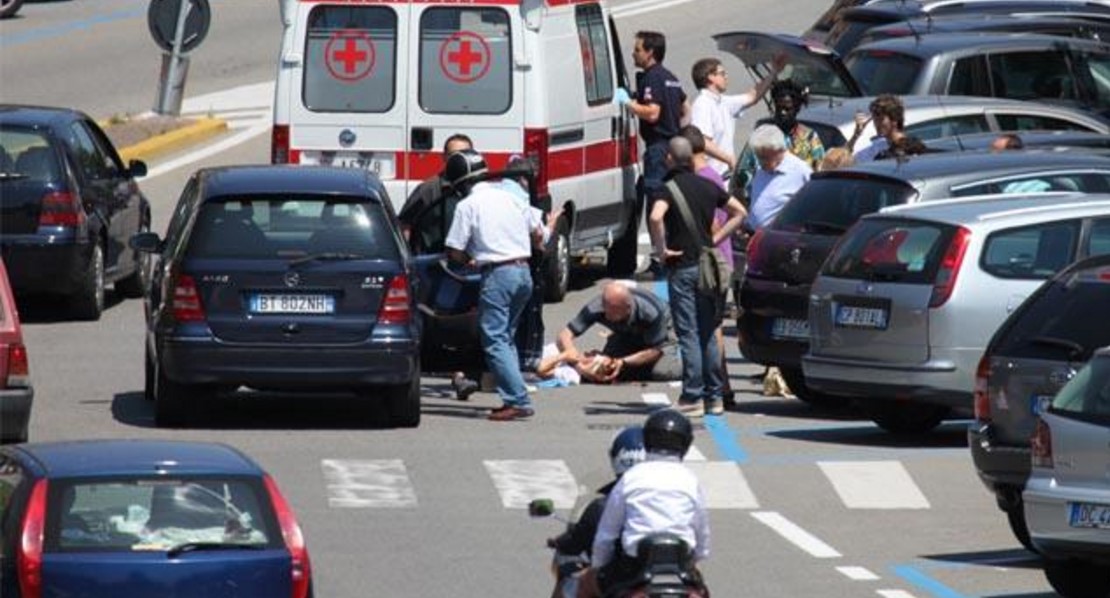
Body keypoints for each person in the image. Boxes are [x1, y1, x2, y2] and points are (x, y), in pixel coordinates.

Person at [444, 149, 550, 422]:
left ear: (460, 184)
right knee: (506, 337)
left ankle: (517, 399)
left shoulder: (467, 205)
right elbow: (537, 231)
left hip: (498, 274)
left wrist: (470, 258)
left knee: (494, 339)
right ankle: (511, 393)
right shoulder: (510, 195)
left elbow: (454, 250)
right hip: (523, 272)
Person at [649, 135, 747, 417]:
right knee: (708, 330)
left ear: (670, 158)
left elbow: (656, 217)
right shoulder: (708, 185)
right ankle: (714, 396)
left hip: (683, 268)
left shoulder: (666, 189)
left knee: (688, 332)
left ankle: (692, 395)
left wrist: (662, 249)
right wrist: (716, 237)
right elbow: (739, 212)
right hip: (709, 266)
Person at [578, 409, 709, 598]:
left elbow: (607, 532)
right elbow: (702, 531)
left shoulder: (631, 477)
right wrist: (696, 559)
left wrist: (598, 566)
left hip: (632, 567)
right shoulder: (690, 480)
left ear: (647, 440)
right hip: (680, 567)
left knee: (584, 583)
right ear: (686, 444)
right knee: (702, 592)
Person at [397, 133, 481, 400]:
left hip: (470, 270)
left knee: (467, 325)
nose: (460, 160)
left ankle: (464, 375)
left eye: (465, 154)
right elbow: (402, 224)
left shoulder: (479, 192)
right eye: (454, 155)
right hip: (433, 269)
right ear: (444, 159)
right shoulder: (429, 189)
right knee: (428, 323)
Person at [618, 31, 689, 276]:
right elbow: (684, 108)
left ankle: (661, 257)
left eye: (637, 49)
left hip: (658, 147)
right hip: (674, 145)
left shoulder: (652, 78)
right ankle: (667, 250)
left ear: (650, 52)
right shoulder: (671, 78)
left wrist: (627, 102)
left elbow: (652, 113)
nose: (633, 53)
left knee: (656, 201)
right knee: (671, 200)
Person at [680, 124, 735, 403]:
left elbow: (713, 223)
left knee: (710, 326)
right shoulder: (710, 175)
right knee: (712, 324)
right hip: (719, 259)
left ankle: (720, 386)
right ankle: (719, 385)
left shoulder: (703, 179)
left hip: (711, 262)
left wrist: (707, 241)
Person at [547, 427, 647, 576]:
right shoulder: (675, 501)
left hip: (623, 578)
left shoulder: (604, 507)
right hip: (674, 577)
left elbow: (591, 545)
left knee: (576, 583)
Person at [556, 281, 682, 384]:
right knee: (606, 369)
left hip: (660, 337)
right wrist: (578, 365)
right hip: (626, 334)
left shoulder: (650, 312)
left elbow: (655, 351)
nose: (606, 313)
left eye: (612, 310)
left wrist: (622, 362)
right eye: (605, 307)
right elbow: (564, 335)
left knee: (661, 371)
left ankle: (696, 367)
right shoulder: (597, 307)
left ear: (628, 307)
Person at [689, 54, 784, 179]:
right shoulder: (703, 104)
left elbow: (752, 97)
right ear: (711, 77)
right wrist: (728, 159)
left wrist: (773, 72)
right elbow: (702, 141)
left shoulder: (722, 101)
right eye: (722, 73)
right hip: (712, 178)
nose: (726, 77)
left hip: (726, 175)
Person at [734, 78, 825, 203]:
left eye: (788, 109)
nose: (782, 112)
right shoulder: (761, 136)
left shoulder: (809, 137)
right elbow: (743, 173)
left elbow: (819, 174)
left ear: (797, 109)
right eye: (779, 108)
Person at [746, 123, 812, 231]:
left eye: (764, 157)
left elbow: (813, 205)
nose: (760, 162)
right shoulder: (761, 170)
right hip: (753, 236)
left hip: (778, 239)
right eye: (758, 157)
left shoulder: (800, 171)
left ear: (779, 150)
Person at [847, 94, 924, 162]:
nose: (876, 124)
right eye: (874, 119)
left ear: (894, 119)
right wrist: (856, 135)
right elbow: (845, 161)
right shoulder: (878, 146)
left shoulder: (912, 147)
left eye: (881, 119)